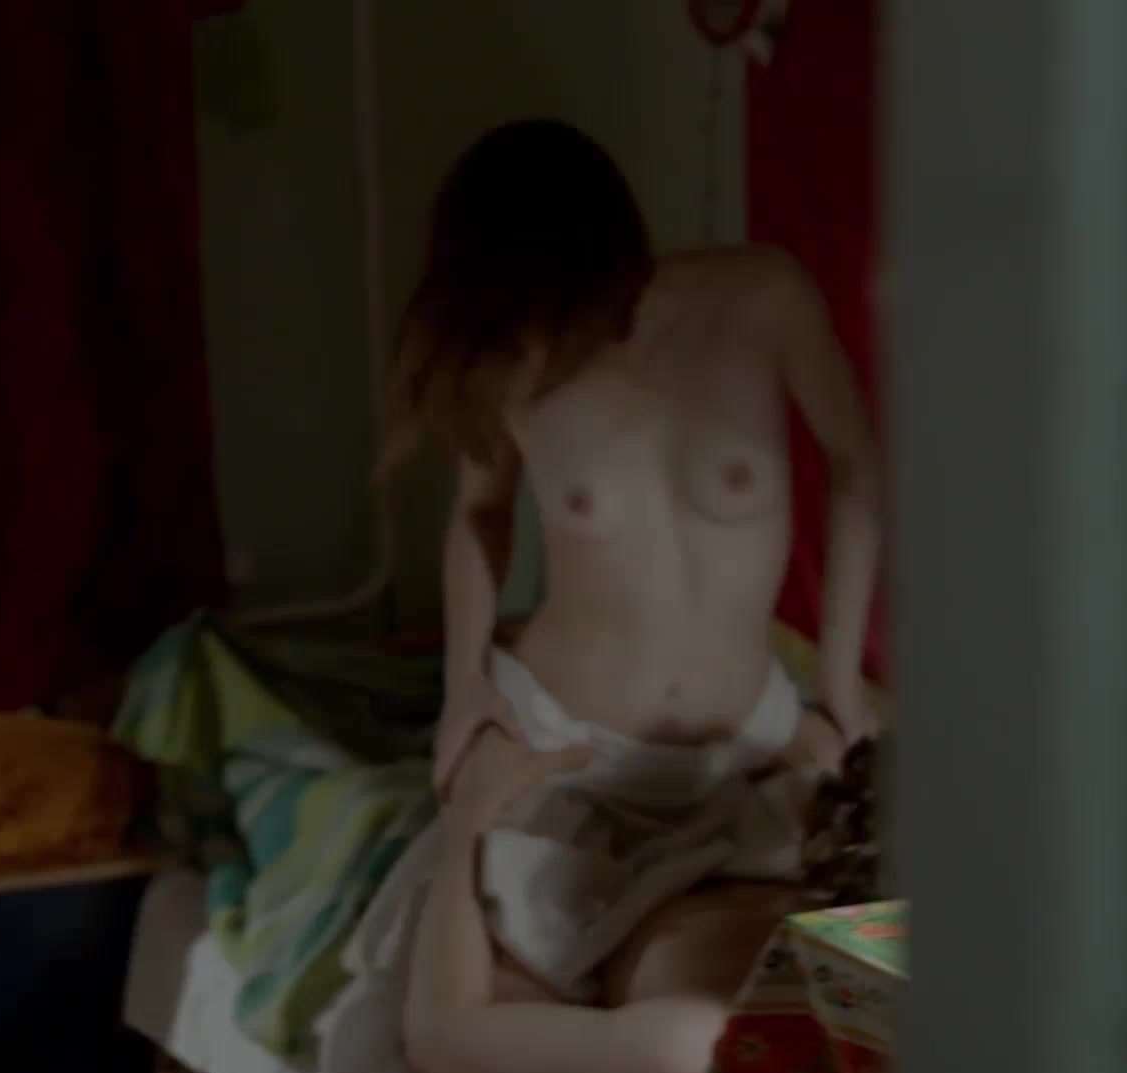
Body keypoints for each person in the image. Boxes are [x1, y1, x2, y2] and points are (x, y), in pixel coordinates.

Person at [374, 120, 881, 1073]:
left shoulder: (760, 297)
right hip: (573, 742)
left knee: (812, 947)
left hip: (747, 737)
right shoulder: (511, 355)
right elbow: (479, 514)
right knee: (508, 993)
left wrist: (843, 685)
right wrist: (463, 691)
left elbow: (857, 467)